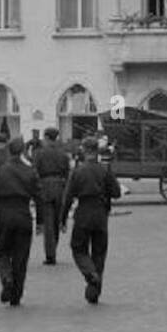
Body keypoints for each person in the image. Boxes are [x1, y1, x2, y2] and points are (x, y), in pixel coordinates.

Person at [60, 137, 121, 304]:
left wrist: (63, 219)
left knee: (78, 248)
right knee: (99, 253)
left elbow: (68, 197)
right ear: (97, 151)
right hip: (101, 214)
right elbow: (116, 192)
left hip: (83, 213)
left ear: (84, 150)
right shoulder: (105, 170)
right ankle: (94, 292)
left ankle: (90, 273)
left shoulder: (78, 172)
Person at [0, 136, 39, 306]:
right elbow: (39, 197)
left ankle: (6, 277)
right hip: (23, 214)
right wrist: (40, 221)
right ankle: (16, 295)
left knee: (0, 251)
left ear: (8, 150)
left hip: (2, 215)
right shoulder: (30, 171)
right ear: (22, 151)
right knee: (21, 257)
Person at [33, 127, 71, 265]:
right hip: (60, 187)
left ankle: (50, 254)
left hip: (45, 187)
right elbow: (68, 173)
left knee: (48, 221)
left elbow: (35, 172)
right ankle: (53, 247)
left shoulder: (39, 153)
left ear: (47, 138)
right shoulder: (63, 154)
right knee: (56, 221)